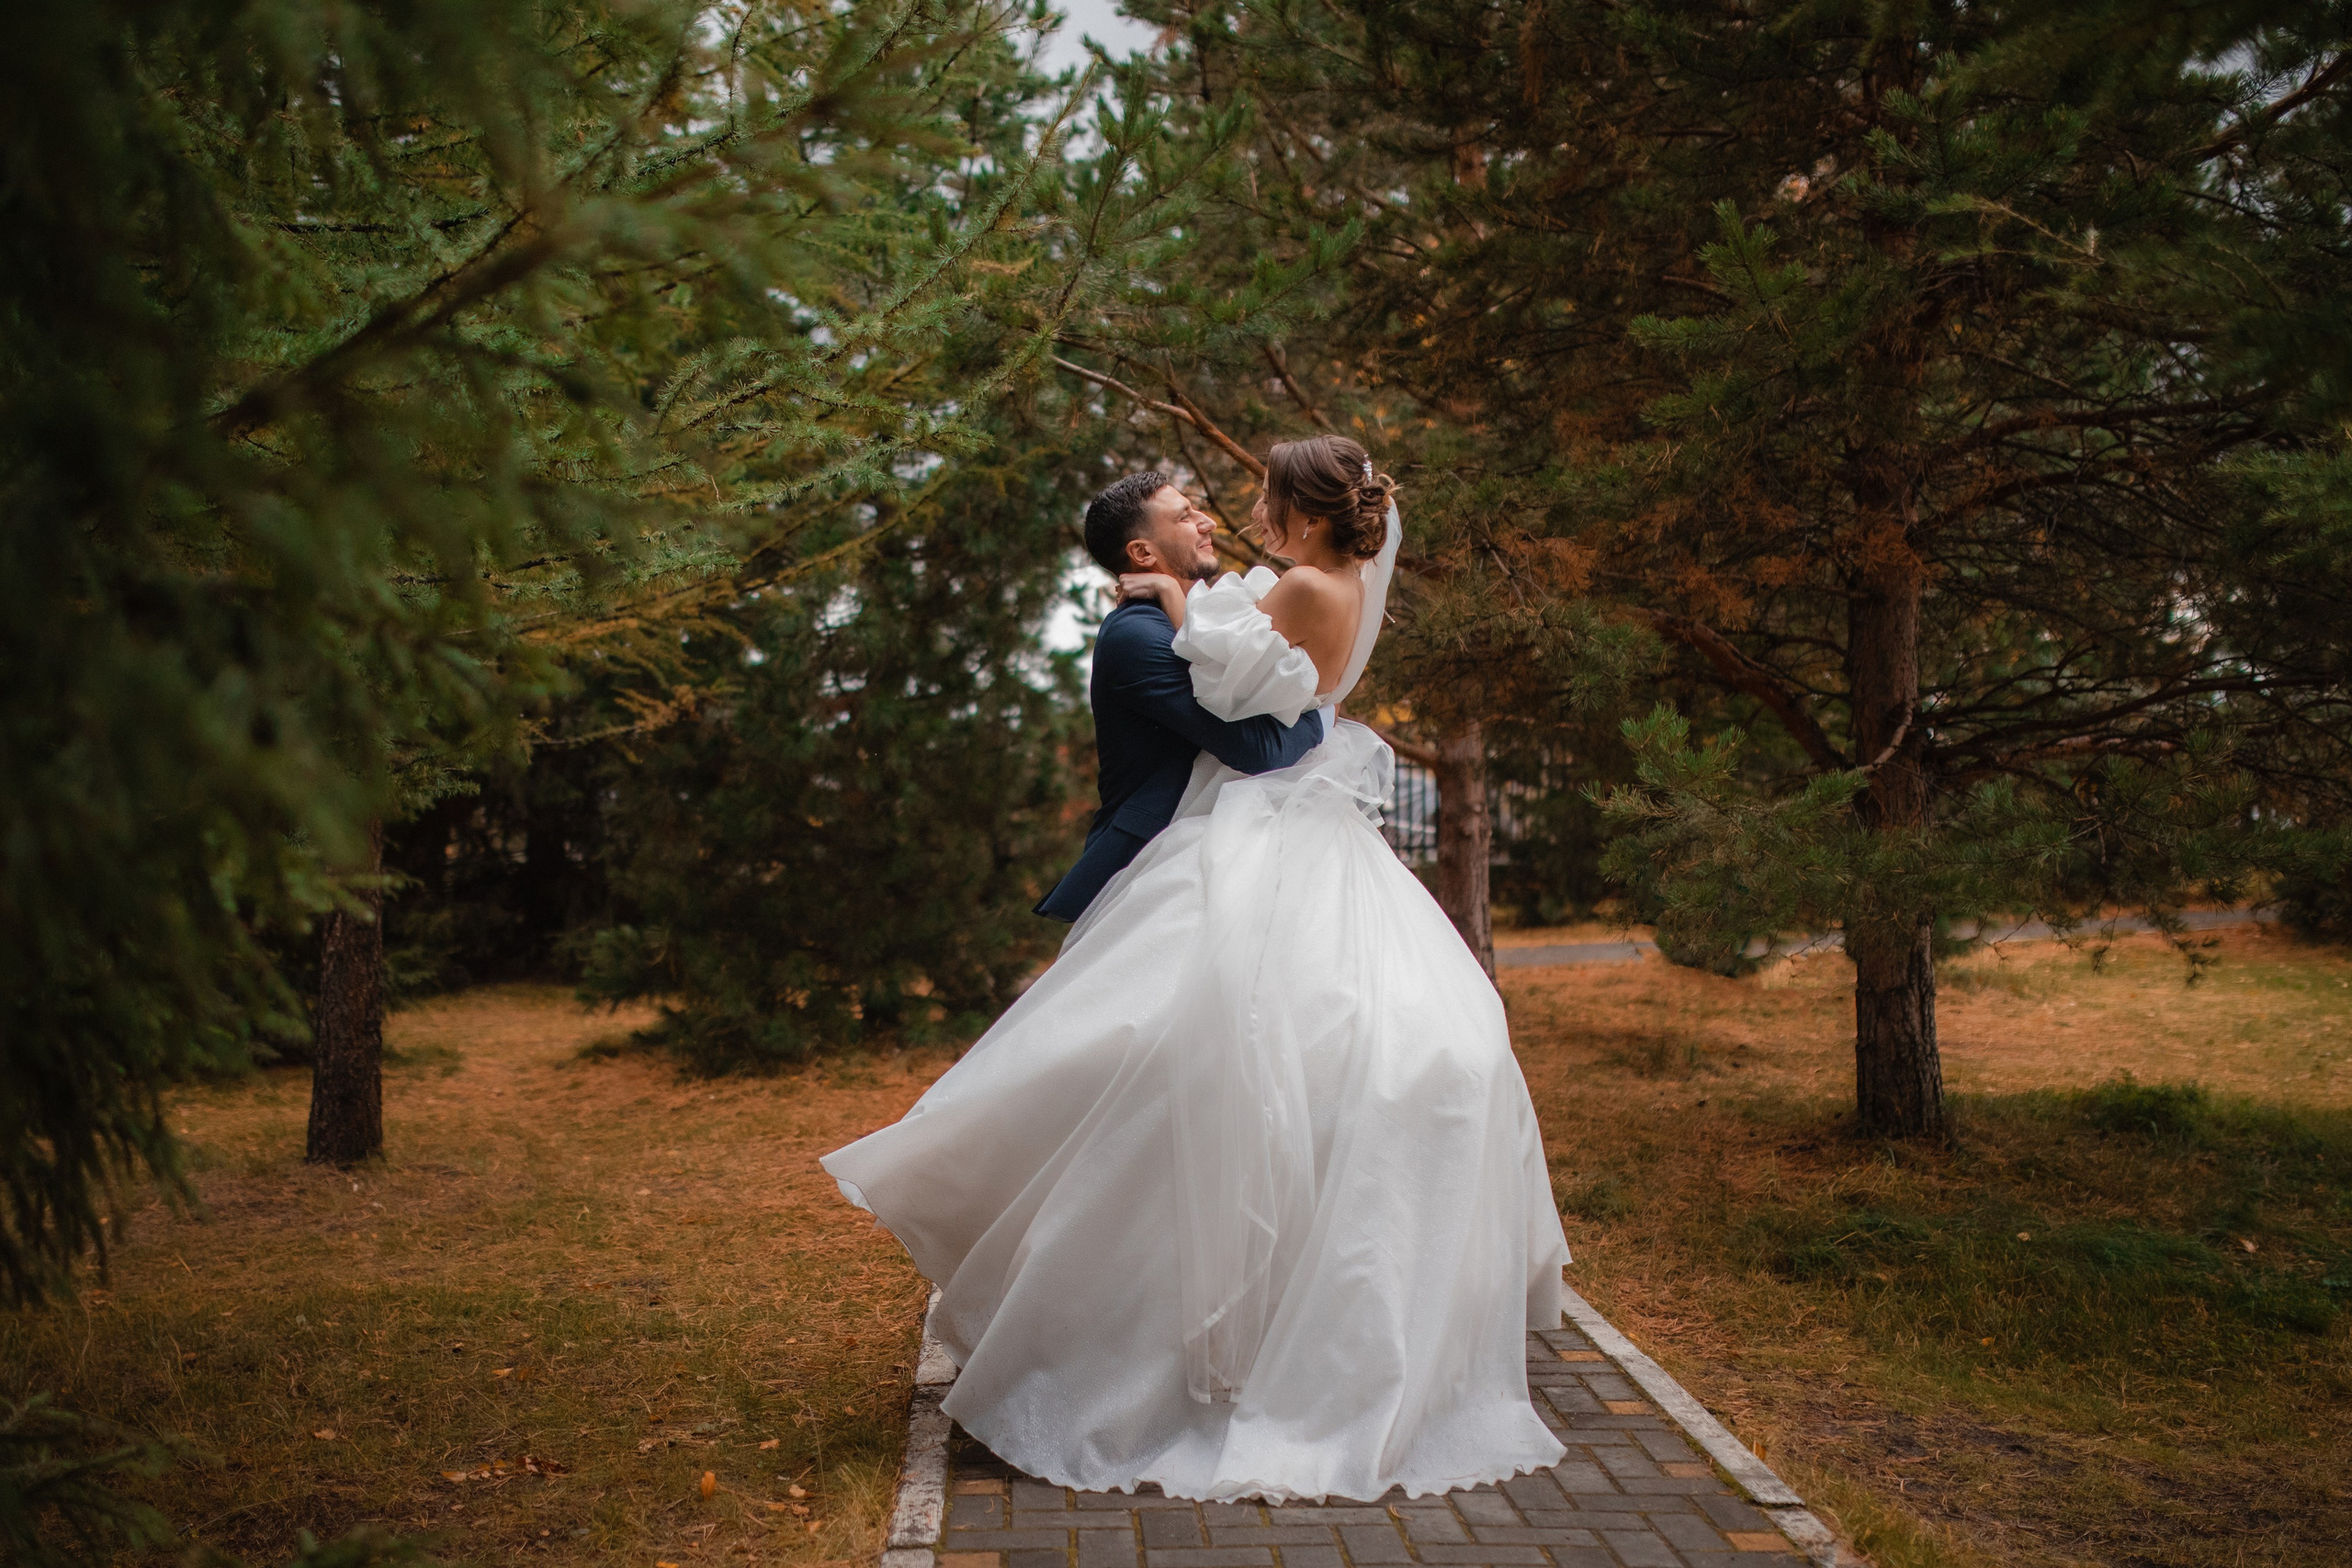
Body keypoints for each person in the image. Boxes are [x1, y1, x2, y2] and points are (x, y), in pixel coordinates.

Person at [822, 434, 1570, 1503]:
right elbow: (1260, 707)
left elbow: (1263, 721)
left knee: (1236, 1050)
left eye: (1257, 496)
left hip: (1270, 828)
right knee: (1204, 1048)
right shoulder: (1296, 584)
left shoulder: (1301, 585)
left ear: (1303, 512)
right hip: (1264, 828)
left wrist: (1186, 614)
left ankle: (1217, 1322)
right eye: (1192, 508)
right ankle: (1098, 1270)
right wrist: (1185, 618)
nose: (1230, 512)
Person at [1034, 472, 1324, 923]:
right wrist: (1321, 710)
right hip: (1152, 869)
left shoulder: (1205, 619)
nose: (1207, 522)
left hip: (1220, 853)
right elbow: (1258, 750)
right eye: (1185, 517)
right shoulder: (1136, 636)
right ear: (1142, 553)